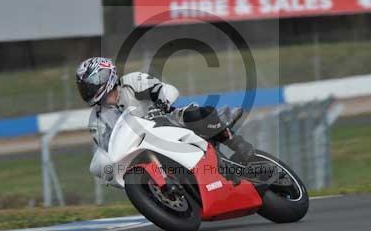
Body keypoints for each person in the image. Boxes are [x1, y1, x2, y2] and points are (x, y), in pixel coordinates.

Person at [75, 57, 253, 161]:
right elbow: (107, 149)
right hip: (139, 150)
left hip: (167, 122)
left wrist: (161, 103)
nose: (89, 90)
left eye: (90, 85)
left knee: (194, 113)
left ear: (105, 76)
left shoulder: (131, 82)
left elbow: (166, 90)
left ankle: (237, 144)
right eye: (85, 87)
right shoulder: (97, 119)